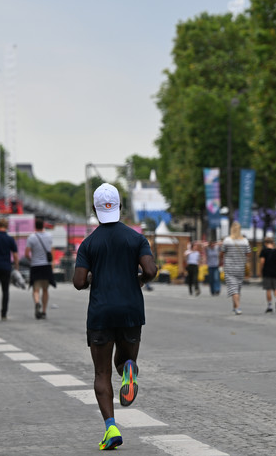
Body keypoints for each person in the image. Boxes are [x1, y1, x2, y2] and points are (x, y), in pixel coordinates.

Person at [73, 183, 157, 451]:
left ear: (96, 211)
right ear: (120, 207)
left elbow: (77, 282)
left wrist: (89, 277)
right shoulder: (136, 239)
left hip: (100, 313)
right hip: (131, 310)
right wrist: (141, 279)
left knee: (101, 373)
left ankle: (111, 427)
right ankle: (129, 370)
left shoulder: (89, 243)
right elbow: (151, 270)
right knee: (125, 359)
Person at [25, 217, 54, 319]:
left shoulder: (31, 238)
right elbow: (51, 251)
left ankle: (37, 302)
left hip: (35, 266)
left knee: (36, 289)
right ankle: (44, 311)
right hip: (46, 266)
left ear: (35, 226)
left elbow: (26, 253)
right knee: (45, 290)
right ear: (43, 226)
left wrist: (31, 260)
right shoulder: (49, 236)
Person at [222, 222, 250, 315]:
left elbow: (223, 252)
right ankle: (235, 307)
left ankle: (238, 307)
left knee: (233, 288)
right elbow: (248, 253)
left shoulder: (227, 240)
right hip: (240, 267)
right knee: (237, 288)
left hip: (230, 267)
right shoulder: (245, 241)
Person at [259, 237, 276, 313]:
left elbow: (262, 261)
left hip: (267, 272)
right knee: (275, 288)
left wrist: (260, 270)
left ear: (265, 243)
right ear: (272, 243)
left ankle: (270, 306)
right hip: (275, 272)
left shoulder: (264, 251)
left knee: (268, 289)